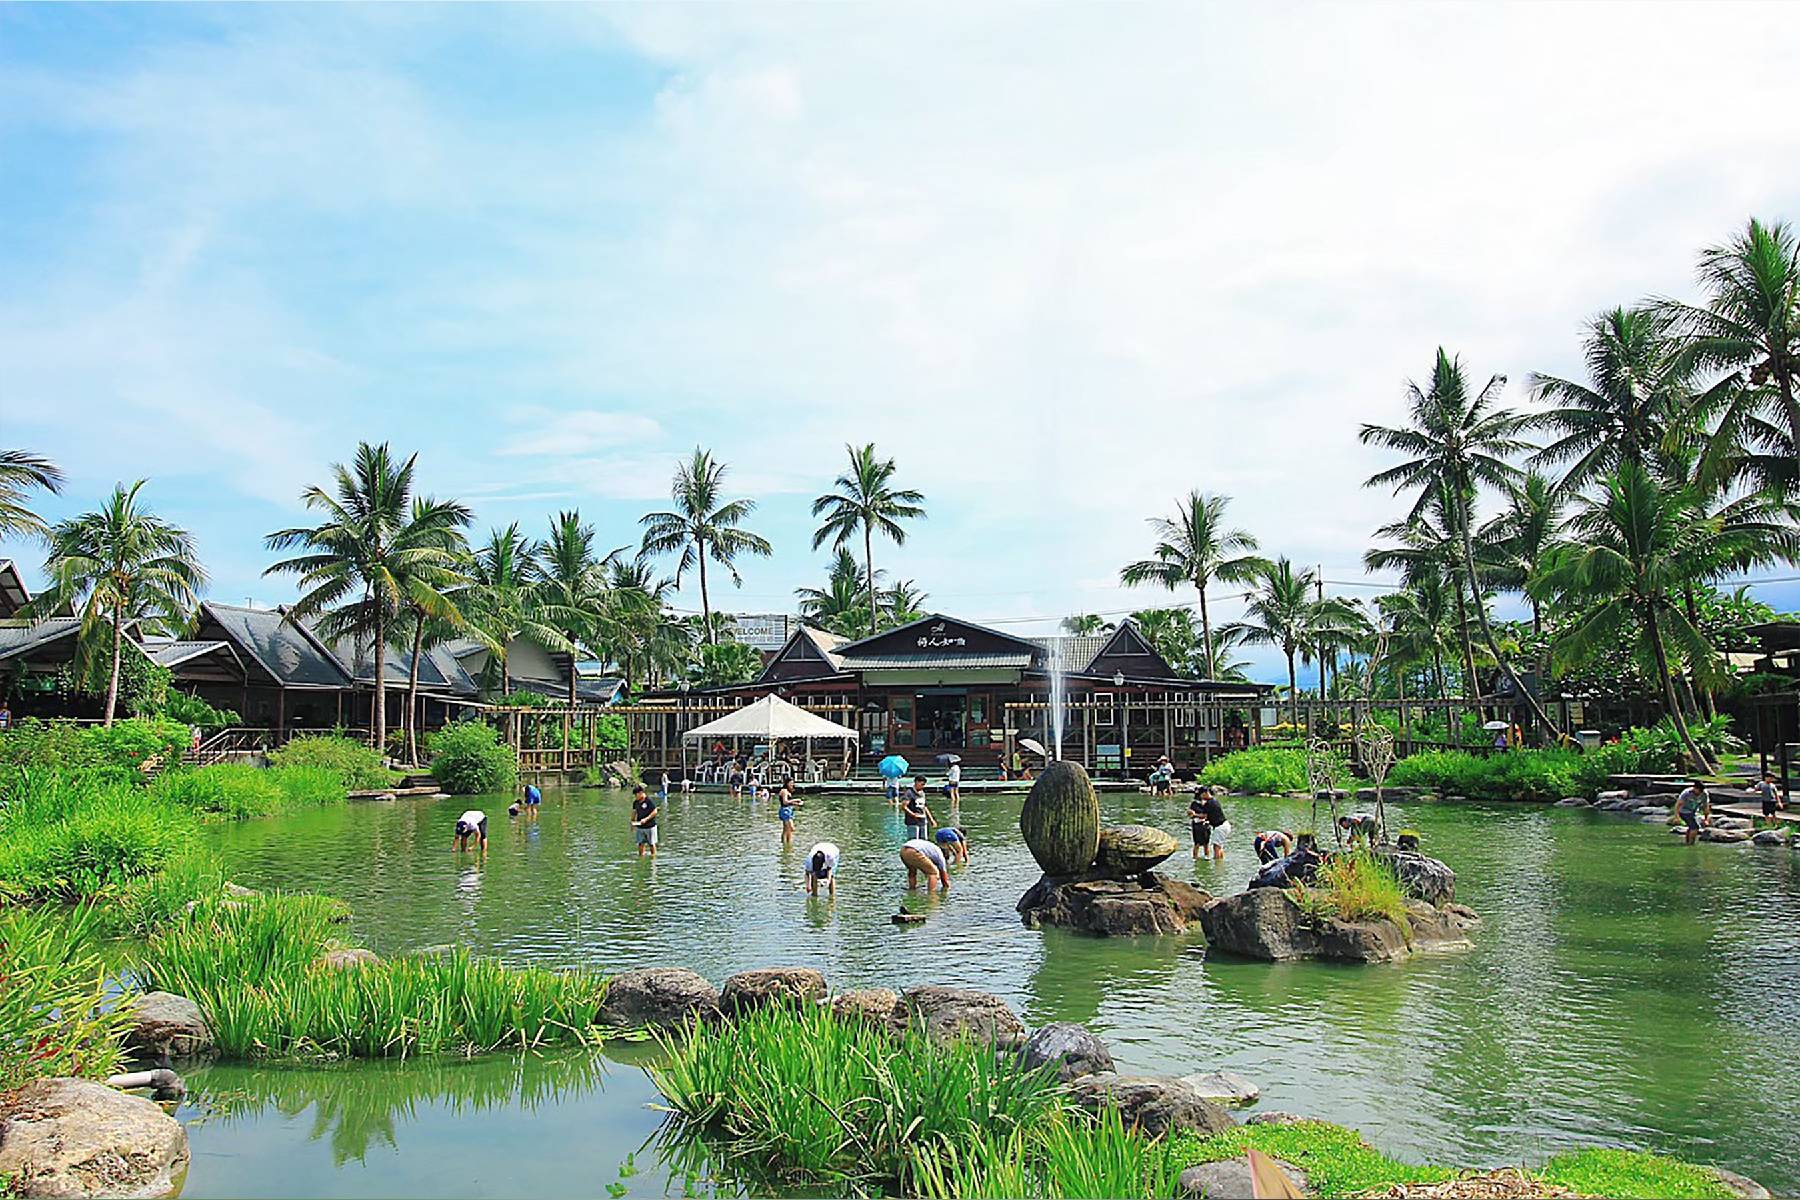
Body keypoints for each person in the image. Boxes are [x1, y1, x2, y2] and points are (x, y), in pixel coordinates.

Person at [1676, 779, 1710, 845]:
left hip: (1693, 811)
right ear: (1694, 788)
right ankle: (1691, 844)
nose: (1700, 793)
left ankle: (1687, 842)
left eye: (1701, 791)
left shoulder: (1704, 794)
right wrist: (1677, 817)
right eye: (1699, 791)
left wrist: (1706, 819)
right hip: (1683, 811)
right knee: (1695, 827)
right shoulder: (1686, 793)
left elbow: (1706, 806)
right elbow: (1678, 805)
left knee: (1691, 827)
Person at [631, 785, 660, 858]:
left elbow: (655, 811)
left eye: (636, 794)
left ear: (641, 793)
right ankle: (641, 857)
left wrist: (646, 819)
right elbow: (634, 812)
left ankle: (653, 859)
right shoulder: (636, 802)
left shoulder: (649, 800)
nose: (635, 796)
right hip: (640, 827)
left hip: (650, 826)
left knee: (651, 844)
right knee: (640, 843)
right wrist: (632, 822)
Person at [901, 776, 933, 841]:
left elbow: (925, 807)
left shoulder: (922, 793)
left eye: (924, 785)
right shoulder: (909, 793)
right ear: (916, 782)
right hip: (912, 821)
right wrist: (913, 814)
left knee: (924, 840)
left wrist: (931, 819)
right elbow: (904, 806)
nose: (923, 786)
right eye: (922, 784)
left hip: (923, 820)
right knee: (914, 841)